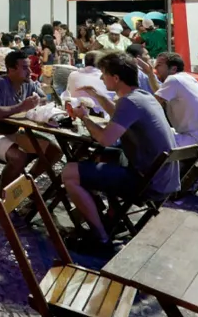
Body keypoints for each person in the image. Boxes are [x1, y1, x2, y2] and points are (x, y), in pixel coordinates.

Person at [64, 51, 180, 247]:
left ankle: (100, 237)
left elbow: (105, 139)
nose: (101, 77)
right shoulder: (143, 96)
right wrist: (99, 95)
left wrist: (84, 117)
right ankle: (109, 217)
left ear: (116, 78)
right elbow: (120, 115)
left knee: (69, 173)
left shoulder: (129, 102)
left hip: (148, 183)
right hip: (164, 178)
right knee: (104, 157)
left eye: (104, 74)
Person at [0, 50, 63, 193]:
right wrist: (21, 107)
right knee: (19, 158)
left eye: (29, 67)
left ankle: (25, 185)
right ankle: (3, 199)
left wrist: (38, 101)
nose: (30, 71)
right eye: (24, 67)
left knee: (54, 151)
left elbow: (44, 99)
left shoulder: (27, 83)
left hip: (15, 132)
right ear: (11, 69)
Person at [150, 52, 198, 150]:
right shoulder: (187, 78)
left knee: (147, 138)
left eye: (159, 65)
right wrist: (149, 74)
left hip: (195, 143)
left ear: (173, 69)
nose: (155, 68)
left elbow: (152, 105)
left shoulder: (174, 79)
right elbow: (160, 94)